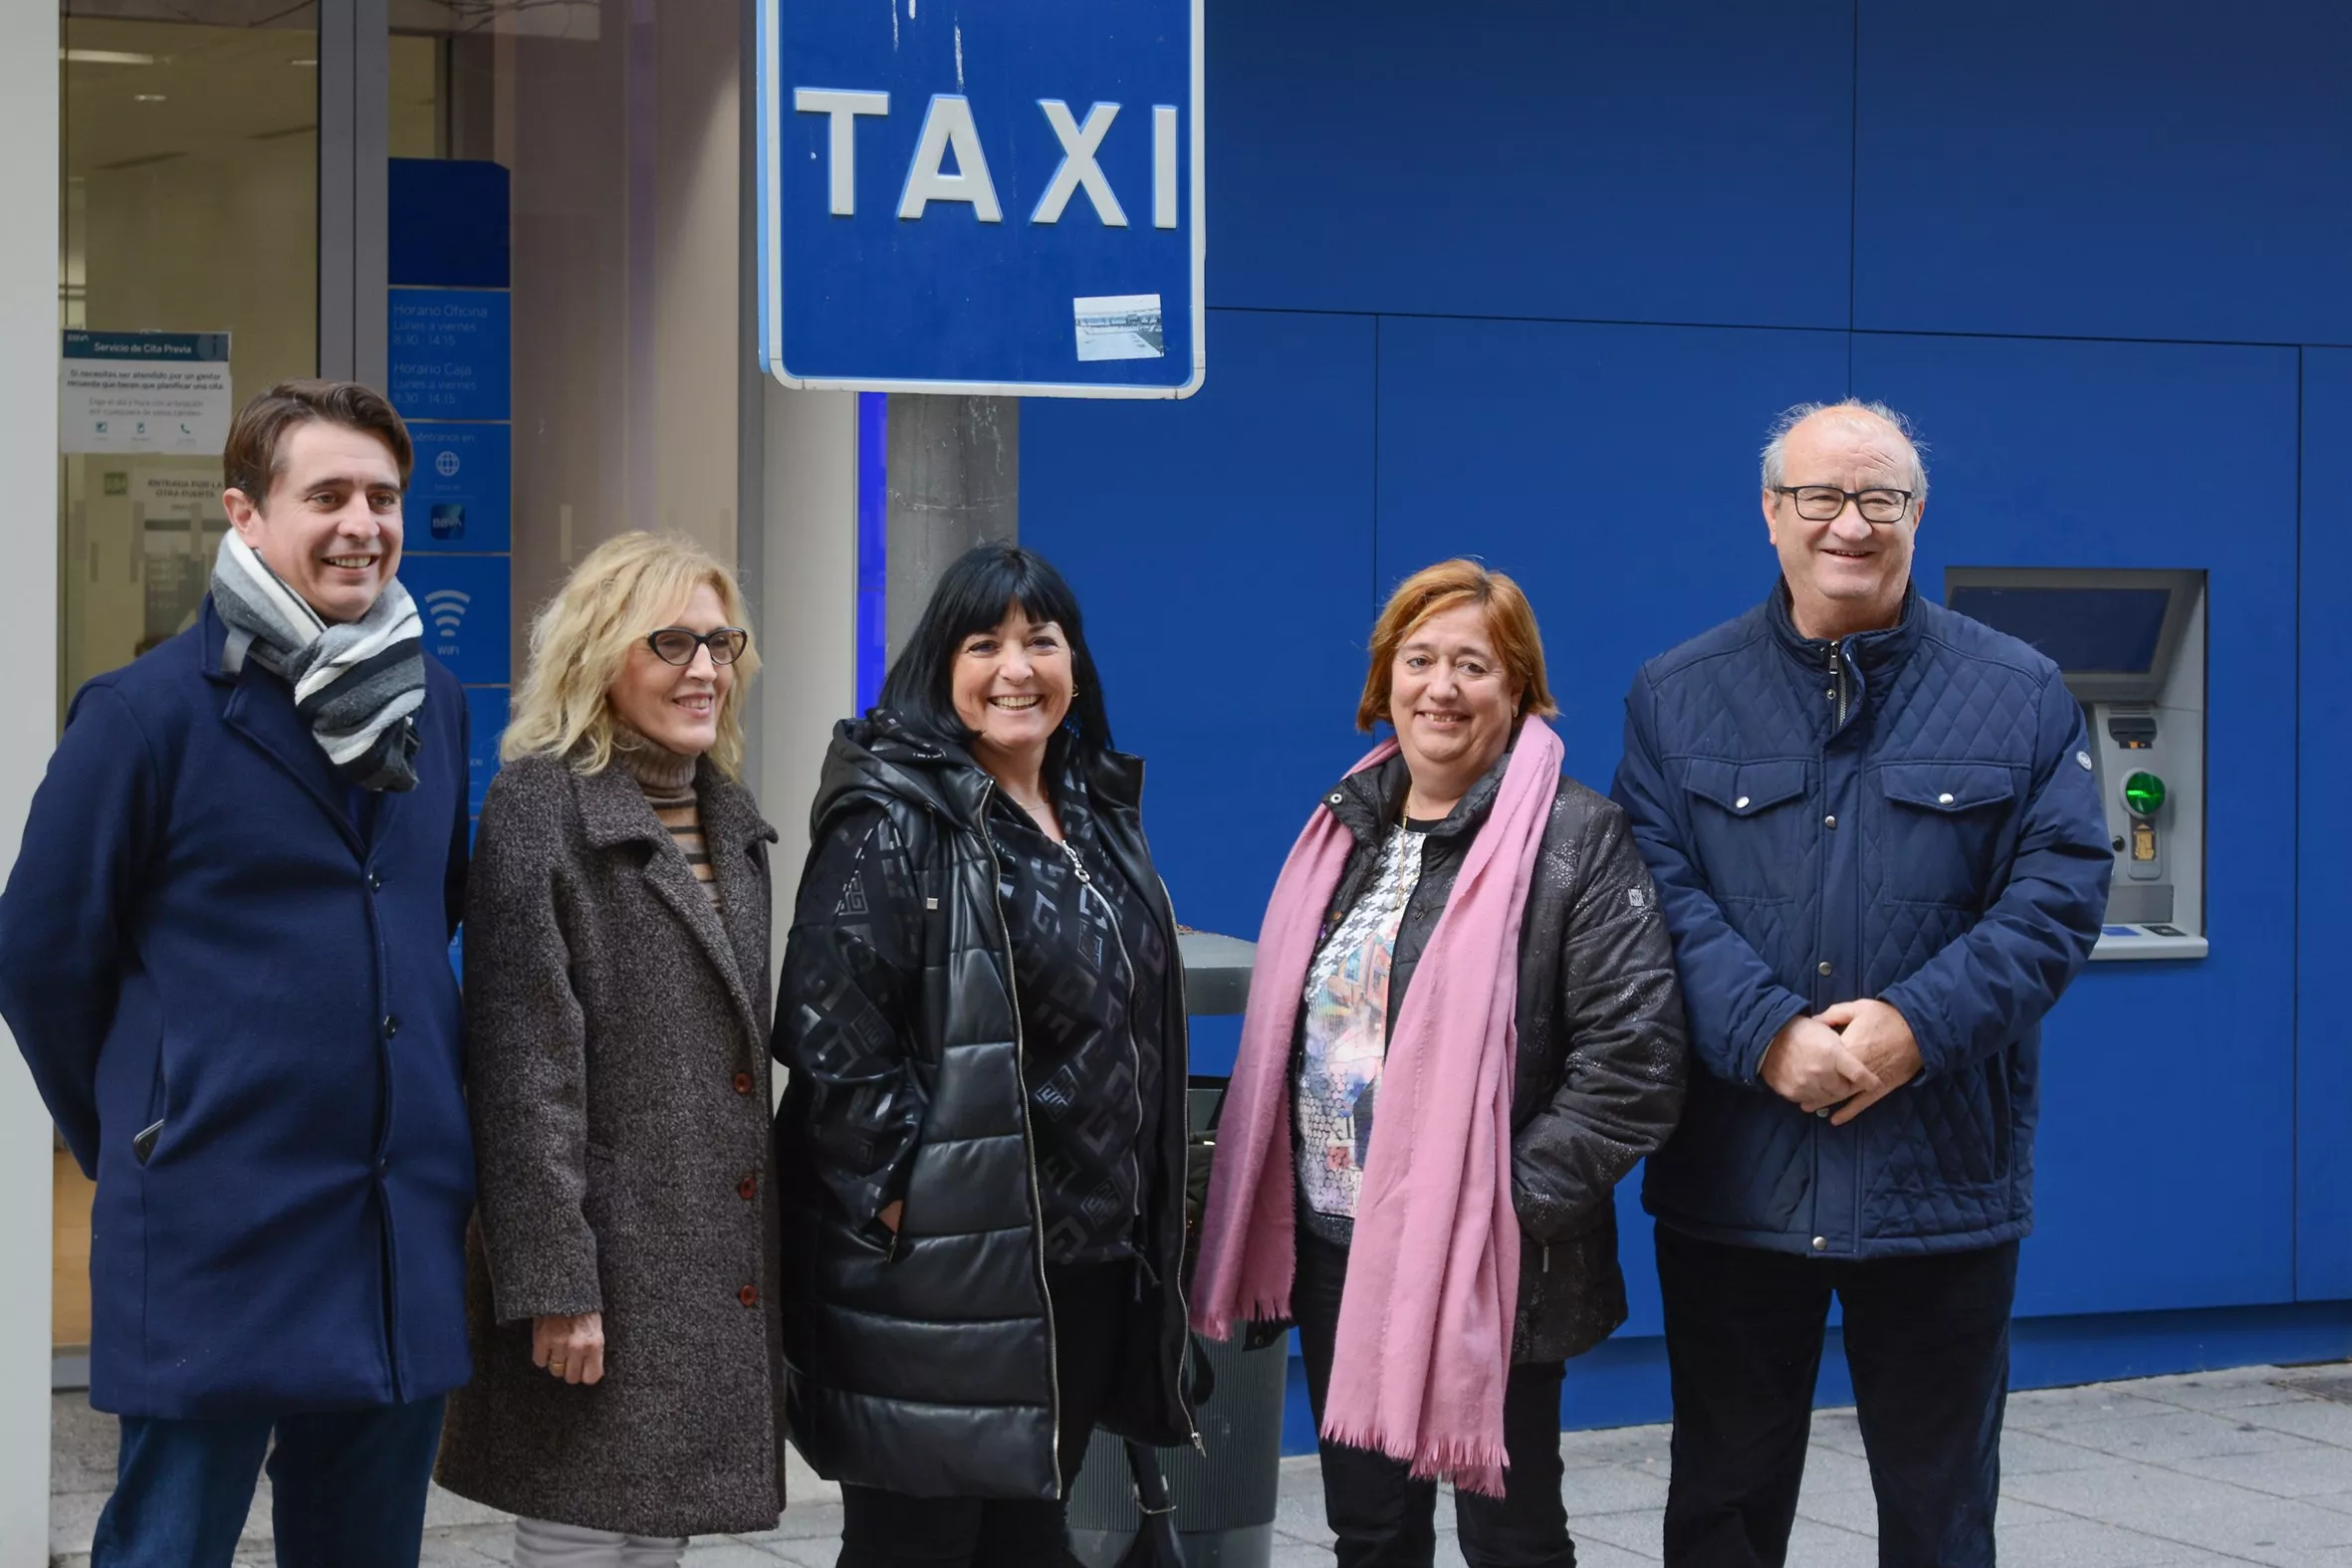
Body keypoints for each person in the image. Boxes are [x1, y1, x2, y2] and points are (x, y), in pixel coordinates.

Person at [1610, 399, 2113, 1567]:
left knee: (1940, 1521)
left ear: (1916, 516)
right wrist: (1768, 1036)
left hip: (1939, 1183)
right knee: (1723, 1507)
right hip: (1739, 1177)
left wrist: (1911, 1029)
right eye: (1821, 498)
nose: (1850, 523)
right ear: (1771, 516)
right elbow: (1653, 899)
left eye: (1879, 498)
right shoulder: (1675, 696)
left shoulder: (2020, 690)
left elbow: (2057, 898)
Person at [0, 380, 471, 1568]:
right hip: (216, 1221)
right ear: (245, 515)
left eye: (383, 496)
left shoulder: (439, 707)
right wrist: (143, 1123)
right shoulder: (145, 715)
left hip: (390, 1223)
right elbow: (40, 955)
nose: (363, 522)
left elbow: (429, 922)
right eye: (327, 496)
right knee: (166, 1550)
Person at [1192, 559, 1690, 1568]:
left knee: (1509, 1536)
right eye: (1418, 660)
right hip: (1340, 1241)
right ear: (1385, 683)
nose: (1442, 688)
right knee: (1369, 1530)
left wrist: (1490, 1207)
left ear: (1518, 690)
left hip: (1486, 1252)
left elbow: (1633, 1066)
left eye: (1474, 664)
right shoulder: (1345, 829)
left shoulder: (1574, 840)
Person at [774, 542, 1194, 1567]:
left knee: (1025, 1535)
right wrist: (900, 1201)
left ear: (1074, 666)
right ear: (939, 670)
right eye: (984, 643)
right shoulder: (892, 819)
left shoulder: (1092, 814)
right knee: (915, 1544)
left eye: (1040, 641)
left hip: (1081, 1263)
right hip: (944, 1274)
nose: (1017, 668)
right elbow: (833, 1037)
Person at [433, 533, 785, 1565]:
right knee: (577, 1522)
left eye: (720, 642)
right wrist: (553, 1285)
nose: (705, 669)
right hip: (603, 1255)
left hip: (705, 1257)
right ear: (598, 657)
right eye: (669, 642)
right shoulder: (539, 808)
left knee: (658, 1526)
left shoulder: (731, 817)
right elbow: (519, 1071)